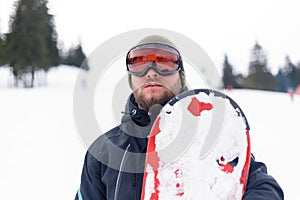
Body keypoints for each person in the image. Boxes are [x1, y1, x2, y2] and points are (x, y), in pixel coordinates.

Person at [75, 35, 284, 200]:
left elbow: (260, 183)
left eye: (165, 63)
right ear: (132, 80)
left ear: (181, 77)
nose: (151, 73)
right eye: (139, 64)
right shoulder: (103, 152)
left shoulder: (209, 135)